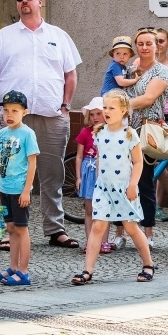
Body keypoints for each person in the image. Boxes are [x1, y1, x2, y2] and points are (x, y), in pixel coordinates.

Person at [0, 0, 81, 249]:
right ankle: (6, 230)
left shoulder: (59, 36)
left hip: (52, 116)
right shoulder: (4, 36)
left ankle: (55, 229)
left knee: (52, 175)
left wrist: (65, 105)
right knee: (8, 175)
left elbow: (70, 74)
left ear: (40, 1)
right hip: (14, 120)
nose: (24, 1)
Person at [71, 90, 155, 285]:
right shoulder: (99, 132)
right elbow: (100, 157)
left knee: (131, 227)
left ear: (124, 110)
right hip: (103, 187)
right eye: (105, 107)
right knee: (98, 226)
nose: (106, 111)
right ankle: (87, 270)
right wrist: (99, 179)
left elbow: (138, 162)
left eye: (111, 108)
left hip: (124, 188)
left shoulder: (129, 134)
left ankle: (148, 264)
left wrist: (133, 184)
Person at [128, 27, 168, 249]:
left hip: (146, 132)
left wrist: (119, 105)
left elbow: (148, 99)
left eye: (149, 44)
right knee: (122, 181)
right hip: (124, 130)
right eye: (140, 44)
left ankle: (148, 232)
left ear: (157, 46)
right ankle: (121, 231)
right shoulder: (129, 68)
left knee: (144, 182)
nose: (144, 47)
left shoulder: (162, 72)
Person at [0, 91, 39, 285]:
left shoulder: (27, 134)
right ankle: (13, 267)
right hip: (4, 189)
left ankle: (24, 271)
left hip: (19, 190)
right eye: (6, 111)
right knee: (10, 228)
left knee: (21, 228)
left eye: (15, 111)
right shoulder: (2, 134)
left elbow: (32, 163)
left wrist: (27, 190)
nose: (9, 115)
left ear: (24, 112)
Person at [139, 27, 168, 222]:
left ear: (167, 43)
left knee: (161, 157)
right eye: (153, 40)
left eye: (161, 41)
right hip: (145, 118)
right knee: (157, 161)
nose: (157, 44)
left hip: (165, 117)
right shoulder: (138, 64)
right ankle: (166, 201)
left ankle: (160, 203)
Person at [75, 97, 109, 254]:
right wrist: (78, 177)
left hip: (104, 172)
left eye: (98, 114)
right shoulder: (85, 133)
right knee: (89, 209)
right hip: (88, 172)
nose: (95, 117)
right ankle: (90, 241)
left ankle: (103, 241)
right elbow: (79, 157)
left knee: (103, 209)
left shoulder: (110, 132)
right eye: (92, 114)